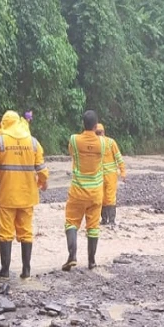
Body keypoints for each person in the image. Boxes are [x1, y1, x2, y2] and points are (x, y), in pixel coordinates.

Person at [0, 111, 48, 279]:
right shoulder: (33, 142)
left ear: (4, 124)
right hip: (27, 195)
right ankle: (26, 270)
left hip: (7, 195)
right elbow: (41, 168)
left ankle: (5, 270)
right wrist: (43, 182)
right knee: (26, 232)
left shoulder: (0, 142)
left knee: (5, 232)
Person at [62, 110, 106, 271]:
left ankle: (72, 256)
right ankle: (92, 261)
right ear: (96, 126)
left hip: (78, 191)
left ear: (83, 124)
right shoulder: (102, 143)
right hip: (95, 192)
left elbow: (71, 152)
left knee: (71, 222)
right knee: (93, 226)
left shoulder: (74, 140)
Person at [95, 123, 126, 226]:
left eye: (99, 133)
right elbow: (118, 157)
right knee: (105, 197)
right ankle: (107, 220)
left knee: (106, 197)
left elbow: (118, 157)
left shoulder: (106, 143)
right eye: (98, 133)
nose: (99, 135)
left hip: (106, 175)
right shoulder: (106, 143)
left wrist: (123, 172)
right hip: (104, 175)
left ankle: (108, 220)